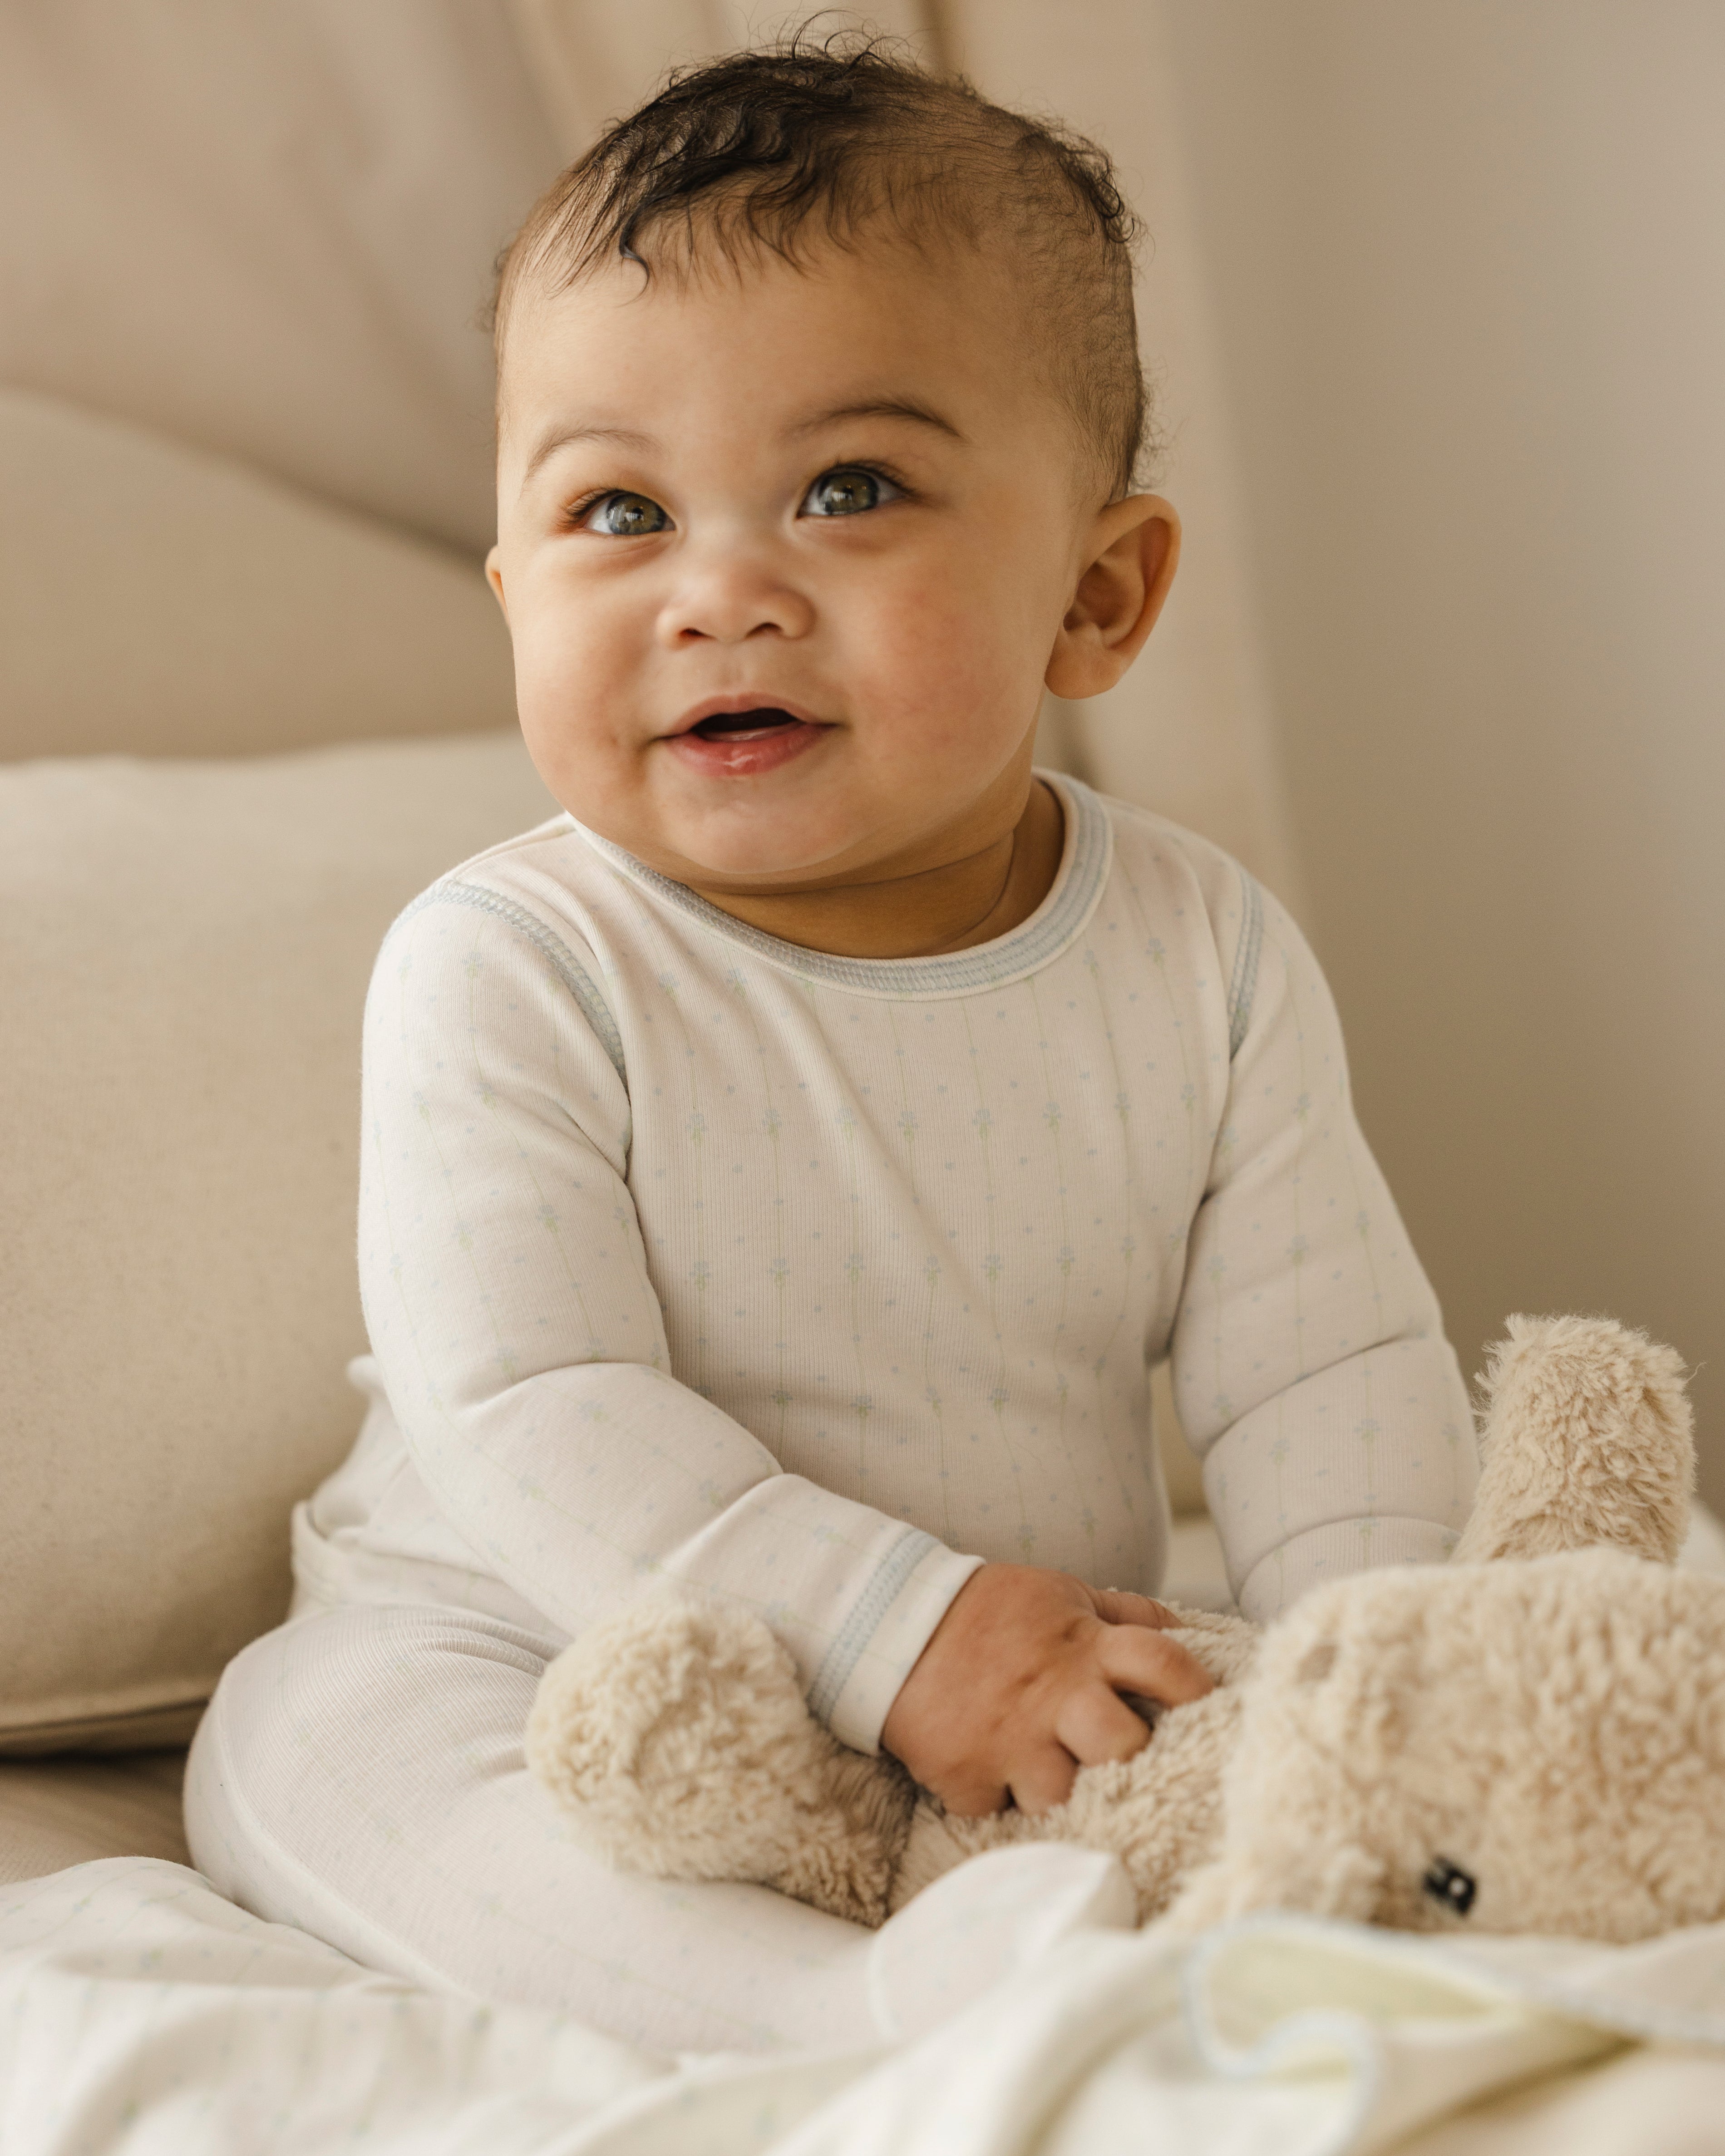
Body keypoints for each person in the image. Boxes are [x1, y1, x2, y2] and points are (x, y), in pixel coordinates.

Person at [186, 34, 1476, 2053]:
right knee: (303, 1743)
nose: (719, 593)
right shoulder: (508, 962)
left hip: (1018, 1675)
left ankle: (1212, 1905)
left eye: (847, 487)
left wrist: (1367, 1685)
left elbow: (1327, 1366)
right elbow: (527, 1399)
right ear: (513, 592)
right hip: (525, 1638)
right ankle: (876, 2014)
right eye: (617, 511)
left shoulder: (1201, 953)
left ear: (1097, 594)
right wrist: (895, 1630)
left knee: (1327, 1694)